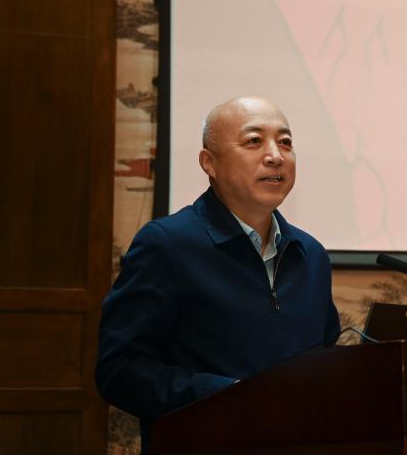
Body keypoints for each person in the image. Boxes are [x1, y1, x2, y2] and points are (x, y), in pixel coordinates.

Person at [96, 96, 340, 448]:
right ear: (209, 162)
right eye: (254, 141)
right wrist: (226, 396)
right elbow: (119, 370)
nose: (275, 155)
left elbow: (323, 357)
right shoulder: (167, 245)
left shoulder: (311, 254)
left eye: (285, 142)